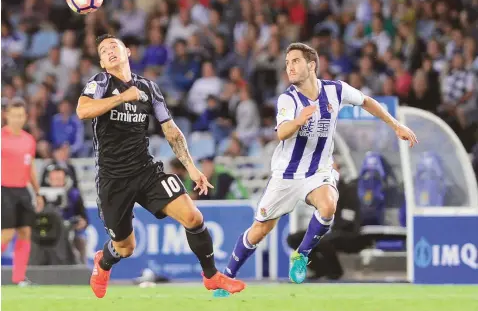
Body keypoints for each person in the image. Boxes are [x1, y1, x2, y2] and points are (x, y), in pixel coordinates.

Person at [214, 42, 418, 297]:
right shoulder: (288, 98)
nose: (290, 67)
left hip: (318, 170)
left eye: (295, 61)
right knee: (259, 231)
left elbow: (367, 101)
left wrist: (395, 124)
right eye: (287, 63)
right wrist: (299, 120)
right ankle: (226, 277)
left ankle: (302, 254)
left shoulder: (335, 90)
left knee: (329, 205)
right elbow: (282, 132)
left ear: (311, 65)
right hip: (286, 175)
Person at [76, 34, 245, 299]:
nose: (109, 51)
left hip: (145, 170)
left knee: (193, 217)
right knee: (125, 247)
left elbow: (172, 131)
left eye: (114, 46)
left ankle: (212, 276)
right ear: (101, 61)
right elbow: (83, 110)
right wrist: (122, 98)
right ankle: (103, 261)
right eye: (103, 50)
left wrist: (191, 167)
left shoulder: (149, 89)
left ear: (127, 52)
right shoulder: (101, 82)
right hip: (113, 178)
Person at [1, 98, 44, 285]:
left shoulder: (29, 140)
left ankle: (19, 278)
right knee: (7, 233)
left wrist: (37, 192)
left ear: (25, 117)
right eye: (14, 115)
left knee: (25, 232)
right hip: (4, 190)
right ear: (6, 116)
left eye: (21, 115)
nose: (18, 119)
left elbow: (31, 168)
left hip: (23, 191)